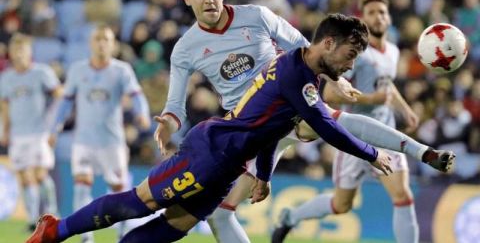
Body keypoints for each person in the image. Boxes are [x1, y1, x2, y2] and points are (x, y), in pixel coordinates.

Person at [27, 13, 454, 243]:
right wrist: (373, 153)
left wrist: (265, 174)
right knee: (141, 203)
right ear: (327, 43)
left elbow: (274, 131)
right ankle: (55, 230)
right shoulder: (296, 76)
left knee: (174, 226)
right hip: (211, 151)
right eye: (349, 53)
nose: (350, 64)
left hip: (229, 164)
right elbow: (326, 127)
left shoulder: (299, 72)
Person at [153, 0, 451, 242]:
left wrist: (330, 77)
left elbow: (301, 45)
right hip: (250, 133)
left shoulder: (256, 16)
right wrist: (168, 124)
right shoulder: (185, 47)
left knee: (323, 121)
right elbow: (175, 105)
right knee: (221, 213)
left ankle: (421, 151)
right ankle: (418, 151)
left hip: (287, 104)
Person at [272, 0, 430, 243]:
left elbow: (387, 86)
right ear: (363, 20)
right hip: (355, 137)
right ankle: (291, 217)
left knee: (403, 195)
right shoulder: (357, 56)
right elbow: (330, 95)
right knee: (341, 204)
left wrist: (404, 108)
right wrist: (371, 100)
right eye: (372, 13)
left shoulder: (393, 51)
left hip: (386, 134)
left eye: (382, 12)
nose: (378, 17)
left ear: (389, 18)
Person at [48, 24, 151, 242]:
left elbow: (136, 95)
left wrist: (142, 113)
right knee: (80, 188)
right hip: (83, 141)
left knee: (118, 191)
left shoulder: (121, 70)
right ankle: (86, 238)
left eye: (106, 39)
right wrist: (55, 127)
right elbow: (65, 102)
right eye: (98, 39)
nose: (102, 43)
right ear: (90, 43)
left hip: (111, 142)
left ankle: (122, 232)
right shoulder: (78, 70)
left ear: (113, 44)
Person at [0, 33, 62, 231]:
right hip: (18, 134)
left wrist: (54, 125)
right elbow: (5, 105)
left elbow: (60, 96)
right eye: (15, 50)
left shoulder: (41, 72)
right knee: (25, 177)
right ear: (10, 53)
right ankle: (32, 220)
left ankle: (53, 214)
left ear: (29, 52)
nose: (18, 54)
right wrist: (6, 129)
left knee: (40, 174)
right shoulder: (6, 77)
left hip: (39, 133)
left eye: (22, 50)